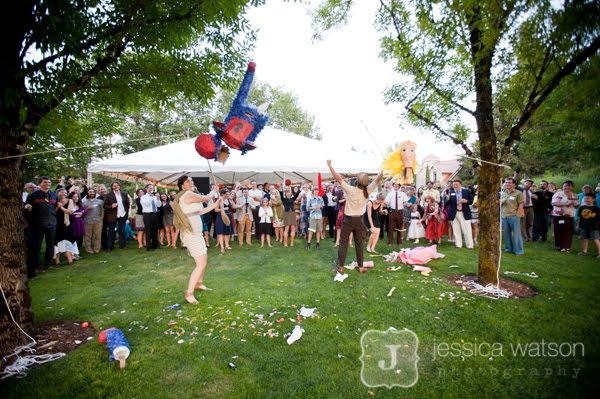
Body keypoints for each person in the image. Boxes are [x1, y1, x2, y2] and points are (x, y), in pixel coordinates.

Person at [327, 159, 383, 273]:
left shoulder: (351, 190)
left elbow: (338, 178)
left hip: (348, 221)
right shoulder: (368, 190)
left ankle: (341, 267)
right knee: (359, 244)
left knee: (343, 243)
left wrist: (330, 165)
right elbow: (378, 179)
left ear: (357, 181)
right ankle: (361, 267)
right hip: (359, 221)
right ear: (366, 183)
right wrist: (384, 169)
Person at [172, 176, 220, 305]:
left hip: (196, 232)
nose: (191, 182)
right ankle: (189, 292)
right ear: (182, 185)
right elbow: (206, 198)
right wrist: (214, 191)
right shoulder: (187, 194)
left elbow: (200, 211)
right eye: (188, 181)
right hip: (191, 233)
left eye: (191, 181)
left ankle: (199, 283)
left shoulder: (189, 195)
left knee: (204, 261)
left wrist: (215, 205)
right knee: (201, 263)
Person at [25, 176, 58, 277]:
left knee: (50, 245)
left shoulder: (53, 195)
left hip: (51, 223)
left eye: (49, 182)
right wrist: (28, 208)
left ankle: (47, 264)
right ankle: (37, 266)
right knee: (37, 246)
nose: (47, 184)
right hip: (38, 224)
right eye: (45, 182)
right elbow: (27, 209)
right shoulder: (33, 195)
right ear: (40, 184)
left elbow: (54, 207)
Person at [551, 180, 579, 253]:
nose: (567, 187)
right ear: (563, 186)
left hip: (570, 216)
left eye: (569, 186)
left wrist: (577, 204)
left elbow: (576, 205)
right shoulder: (558, 194)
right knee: (560, 231)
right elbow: (554, 203)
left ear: (572, 187)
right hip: (559, 216)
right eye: (565, 185)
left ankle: (567, 247)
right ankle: (561, 246)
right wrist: (566, 203)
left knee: (568, 232)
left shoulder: (574, 195)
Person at [446, 179, 474, 249]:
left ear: (460, 185)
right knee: (456, 230)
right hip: (454, 213)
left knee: (467, 230)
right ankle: (458, 245)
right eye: (454, 184)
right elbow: (449, 203)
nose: (455, 186)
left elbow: (472, 201)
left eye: (456, 184)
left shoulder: (466, 192)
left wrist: (466, 201)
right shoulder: (451, 192)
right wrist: (448, 199)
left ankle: (470, 245)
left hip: (464, 213)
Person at [103, 182, 131, 251]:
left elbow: (128, 203)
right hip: (112, 216)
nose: (116, 186)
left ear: (119, 186)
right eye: (114, 185)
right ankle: (110, 247)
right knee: (111, 231)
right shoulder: (108, 195)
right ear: (112, 187)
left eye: (117, 185)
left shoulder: (124, 194)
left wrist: (126, 212)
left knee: (122, 231)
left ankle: (122, 245)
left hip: (122, 215)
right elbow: (105, 205)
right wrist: (111, 206)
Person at [501, 177, 525, 255]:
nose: (508, 184)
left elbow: (521, 204)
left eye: (510, 182)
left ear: (514, 184)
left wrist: (517, 215)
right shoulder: (502, 193)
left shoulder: (518, 193)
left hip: (514, 216)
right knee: (506, 234)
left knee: (516, 235)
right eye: (506, 182)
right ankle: (509, 249)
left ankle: (519, 251)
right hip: (504, 217)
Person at [54, 189, 78, 265]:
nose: (63, 193)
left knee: (68, 240)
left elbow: (70, 212)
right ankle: (57, 261)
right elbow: (52, 212)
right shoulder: (54, 200)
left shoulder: (69, 201)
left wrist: (61, 207)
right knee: (57, 241)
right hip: (56, 224)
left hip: (66, 223)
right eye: (61, 192)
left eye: (65, 192)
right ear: (58, 193)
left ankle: (69, 259)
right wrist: (57, 207)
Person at [384, 182, 409, 247]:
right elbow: (386, 202)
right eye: (394, 185)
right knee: (390, 227)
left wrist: (406, 203)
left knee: (399, 227)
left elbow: (406, 201)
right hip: (392, 211)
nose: (395, 186)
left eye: (397, 185)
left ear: (399, 186)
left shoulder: (403, 194)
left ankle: (399, 242)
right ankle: (390, 242)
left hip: (400, 212)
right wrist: (384, 202)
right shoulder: (390, 194)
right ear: (393, 186)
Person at [577, 193, 600, 258]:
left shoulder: (596, 208)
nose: (586, 199)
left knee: (595, 239)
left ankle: (599, 253)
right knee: (584, 239)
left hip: (594, 227)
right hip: (583, 226)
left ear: (593, 199)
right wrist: (578, 225)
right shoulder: (582, 207)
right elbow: (579, 217)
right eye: (585, 198)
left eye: (588, 198)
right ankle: (584, 251)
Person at [140, 183, 161, 251]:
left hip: (155, 214)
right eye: (150, 188)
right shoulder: (143, 197)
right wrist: (151, 197)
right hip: (147, 215)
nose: (151, 189)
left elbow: (159, 205)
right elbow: (146, 204)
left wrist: (158, 198)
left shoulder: (154, 197)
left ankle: (155, 245)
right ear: (146, 189)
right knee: (148, 231)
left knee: (155, 230)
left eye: (152, 188)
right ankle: (149, 246)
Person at [82, 188, 104, 254]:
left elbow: (102, 211)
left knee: (97, 236)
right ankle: (88, 250)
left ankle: (96, 249)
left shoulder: (100, 201)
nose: (91, 193)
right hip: (87, 221)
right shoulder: (84, 202)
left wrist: (101, 219)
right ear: (87, 193)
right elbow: (82, 212)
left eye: (93, 192)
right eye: (90, 192)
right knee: (87, 236)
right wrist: (87, 208)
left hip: (98, 221)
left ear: (95, 193)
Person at [214, 188, 234, 253]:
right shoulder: (219, 200)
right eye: (226, 194)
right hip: (221, 217)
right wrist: (224, 209)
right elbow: (215, 210)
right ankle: (222, 247)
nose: (228, 195)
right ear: (222, 194)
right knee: (221, 232)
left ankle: (227, 245)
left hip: (228, 216)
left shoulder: (228, 200)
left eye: (228, 194)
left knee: (227, 232)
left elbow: (233, 207)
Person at [68, 191, 86, 256]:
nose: (75, 198)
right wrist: (75, 215)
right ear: (70, 198)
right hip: (73, 224)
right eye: (73, 197)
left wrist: (81, 213)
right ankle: (72, 254)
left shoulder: (80, 204)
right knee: (73, 239)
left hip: (80, 224)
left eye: (77, 197)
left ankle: (76, 252)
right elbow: (69, 214)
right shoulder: (68, 205)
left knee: (79, 239)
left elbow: (84, 211)